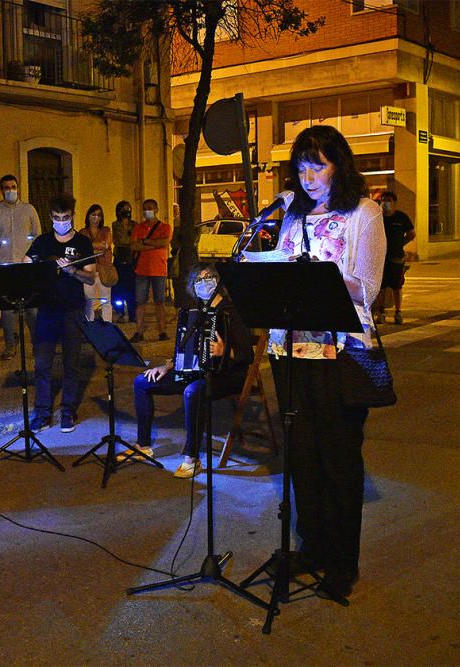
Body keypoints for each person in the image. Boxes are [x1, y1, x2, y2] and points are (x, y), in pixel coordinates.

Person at [257, 124, 386, 602]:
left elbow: (368, 289)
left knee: (338, 459)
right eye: (301, 166)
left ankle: (341, 563)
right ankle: (311, 546)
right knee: (302, 456)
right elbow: (279, 263)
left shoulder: (364, 214)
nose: (307, 176)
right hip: (290, 351)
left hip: (339, 355)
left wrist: (319, 276)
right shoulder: (293, 214)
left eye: (318, 165)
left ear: (339, 165)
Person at [132, 263, 253, 478]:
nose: (203, 282)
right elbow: (184, 348)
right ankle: (143, 446)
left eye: (208, 277)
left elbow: (247, 355)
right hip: (193, 372)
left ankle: (192, 458)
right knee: (142, 382)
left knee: (193, 391)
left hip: (227, 375)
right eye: (198, 279)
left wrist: (226, 351)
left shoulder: (232, 312)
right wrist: (168, 365)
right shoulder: (195, 312)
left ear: (218, 282)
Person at [25, 193, 96, 433]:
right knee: (42, 364)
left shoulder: (83, 243)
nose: (61, 221)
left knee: (71, 364)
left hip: (72, 309)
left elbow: (90, 275)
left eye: (65, 217)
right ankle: (42, 413)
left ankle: (68, 412)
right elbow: (26, 266)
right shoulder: (42, 242)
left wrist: (71, 270)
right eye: (57, 217)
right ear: (51, 218)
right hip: (47, 310)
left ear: (72, 216)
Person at [0, 174, 41, 360]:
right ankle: (10, 346)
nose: (10, 190)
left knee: (32, 308)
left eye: (13, 186)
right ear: (1, 190)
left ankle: (38, 345)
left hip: (26, 266)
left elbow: (37, 234)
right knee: (7, 309)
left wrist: (30, 255)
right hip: (5, 266)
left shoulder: (29, 209)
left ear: (18, 188)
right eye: (6, 187)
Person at [130, 198, 171, 342]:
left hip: (159, 269)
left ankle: (162, 331)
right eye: (145, 208)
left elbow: (164, 242)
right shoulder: (138, 227)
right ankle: (139, 331)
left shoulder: (165, 227)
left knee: (160, 302)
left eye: (150, 208)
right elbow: (134, 246)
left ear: (156, 209)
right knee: (140, 302)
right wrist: (155, 244)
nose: (147, 211)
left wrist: (145, 242)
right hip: (141, 269)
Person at [372, 190, 415, 325]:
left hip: (396, 257)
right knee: (381, 287)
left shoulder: (401, 217)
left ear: (394, 203)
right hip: (380, 257)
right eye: (384, 200)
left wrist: (401, 244)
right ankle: (381, 312)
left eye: (389, 200)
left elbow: (411, 234)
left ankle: (398, 312)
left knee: (397, 286)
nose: (386, 203)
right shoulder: (377, 217)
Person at [79, 203, 113, 322]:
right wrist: (98, 247)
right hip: (89, 271)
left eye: (99, 215)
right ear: (88, 216)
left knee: (106, 301)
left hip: (103, 270)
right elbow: (82, 249)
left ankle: (107, 326)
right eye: (93, 214)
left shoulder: (106, 230)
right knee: (89, 302)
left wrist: (90, 248)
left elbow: (106, 246)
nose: (96, 218)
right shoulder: (83, 232)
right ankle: (90, 326)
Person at [111, 200, 136, 322]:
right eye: (123, 209)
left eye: (128, 209)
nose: (126, 211)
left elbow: (135, 240)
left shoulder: (135, 224)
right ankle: (120, 311)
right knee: (118, 288)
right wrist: (129, 240)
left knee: (131, 288)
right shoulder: (116, 225)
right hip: (119, 258)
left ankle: (132, 314)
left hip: (132, 259)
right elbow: (119, 241)